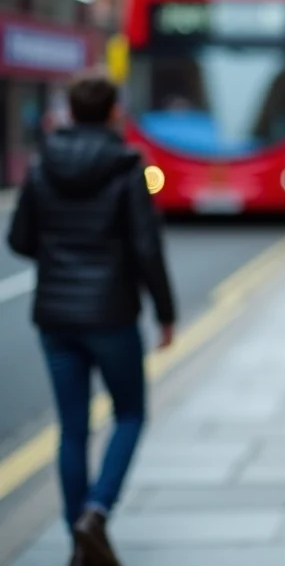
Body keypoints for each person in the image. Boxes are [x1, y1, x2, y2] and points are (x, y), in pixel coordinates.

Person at [8, 72, 176, 566]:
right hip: (112, 314)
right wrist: (165, 314)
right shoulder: (128, 168)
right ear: (112, 113)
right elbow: (147, 248)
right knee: (129, 414)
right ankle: (96, 514)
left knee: (72, 428)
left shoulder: (42, 167)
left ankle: (76, 538)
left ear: (70, 113)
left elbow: (19, 240)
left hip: (56, 317)